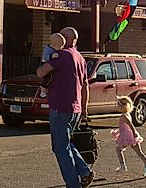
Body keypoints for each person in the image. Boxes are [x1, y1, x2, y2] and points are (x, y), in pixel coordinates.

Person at [37, 27, 94, 188]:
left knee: (60, 148)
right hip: (75, 109)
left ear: (65, 39)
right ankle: (84, 171)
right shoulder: (80, 58)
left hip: (60, 107)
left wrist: (42, 64)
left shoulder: (61, 55)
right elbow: (85, 85)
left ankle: (73, 183)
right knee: (66, 144)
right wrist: (84, 108)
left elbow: (41, 72)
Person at [110, 96, 146, 178]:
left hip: (127, 137)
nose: (117, 107)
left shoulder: (124, 116)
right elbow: (124, 127)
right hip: (130, 135)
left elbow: (130, 125)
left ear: (123, 106)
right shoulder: (127, 115)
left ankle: (123, 166)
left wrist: (134, 133)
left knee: (118, 149)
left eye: (118, 105)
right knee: (139, 152)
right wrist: (118, 132)